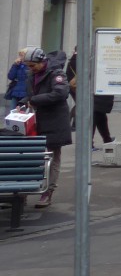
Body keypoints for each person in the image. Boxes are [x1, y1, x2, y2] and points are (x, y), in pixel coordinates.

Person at [22, 47, 71, 207]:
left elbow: (60, 93)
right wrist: (24, 101)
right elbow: (32, 95)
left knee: (53, 156)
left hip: (55, 121)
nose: (31, 69)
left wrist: (34, 100)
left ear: (42, 62)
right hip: (37, 121)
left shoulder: (56, 73)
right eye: (28, 66)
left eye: (32, 65)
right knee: (32, 156)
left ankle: (48, 192)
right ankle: (22, 191)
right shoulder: (32, 74)